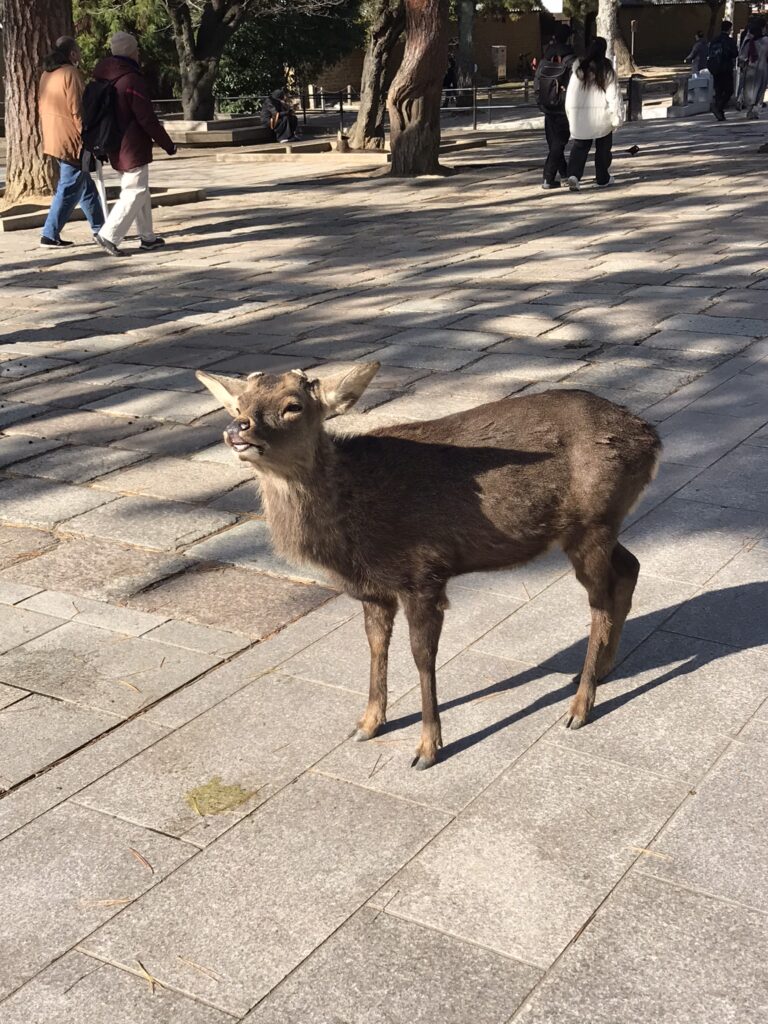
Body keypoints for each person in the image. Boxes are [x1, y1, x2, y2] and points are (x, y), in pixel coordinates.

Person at [92, 32, 176, 258]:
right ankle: (110, 234)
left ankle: (148, 237)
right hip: (132, 144)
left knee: (141, 190)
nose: (139, 52)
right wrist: (168, 144)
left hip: (113, 142)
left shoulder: (103, 76)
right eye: (136, 49)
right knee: (135, 190)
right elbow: (146, 118)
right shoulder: (131, 79)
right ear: (131, 51)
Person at [38, 36, 104, 248]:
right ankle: (49, 233)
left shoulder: (47, 75)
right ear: (72, 54)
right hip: (70, 139)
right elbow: (77, 108)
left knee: (84, 185)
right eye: (79, 51)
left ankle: (101, 227)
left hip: (54, 136)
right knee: (69, 185)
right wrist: (85, 134)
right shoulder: (70, 74)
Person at [564, 37, 622, 191]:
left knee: (580, 147)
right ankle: (602, 177)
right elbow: (613, 95)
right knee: (603, 148)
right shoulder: (607, 69)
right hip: (601, 115)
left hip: (580, 115)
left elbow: (570, 93)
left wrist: (570, 113)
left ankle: (574, 175)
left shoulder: (578, 68)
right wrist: (616, 116)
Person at [534, 23, 575, 190]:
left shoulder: (545, 58)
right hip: (562, 105)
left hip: (546, 105)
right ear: (569, 38)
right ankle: (548, 177)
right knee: (559, 142)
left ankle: (564, 172)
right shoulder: (570, 59)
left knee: (553, 142)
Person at [708, 20, 739, 121]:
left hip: (715, 68)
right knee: (729, 90)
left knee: (718, 90)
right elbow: (735, 53)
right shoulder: (729, 41)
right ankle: (718, 108)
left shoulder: (714, 40)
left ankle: (720, 113)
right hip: (726, 68)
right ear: (730, 29)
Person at [739, 17, 768, 119]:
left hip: (751, 69)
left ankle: (750, 109)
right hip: (763, 69)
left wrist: (742, 66)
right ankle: (755, 109)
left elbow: (742, 56)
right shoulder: (766, 40)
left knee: (749, 90)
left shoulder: (749, 41)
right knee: (760, 89)